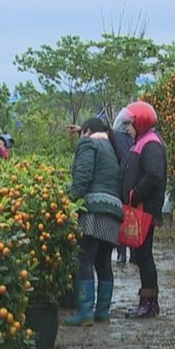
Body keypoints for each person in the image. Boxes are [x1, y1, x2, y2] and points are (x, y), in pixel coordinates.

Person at [64, 118, 124, 326]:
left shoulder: (88, 143)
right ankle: (102, 312)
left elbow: (83, 176)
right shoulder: (111, 147)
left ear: (87, 132)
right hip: (113, 209)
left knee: (86, 258)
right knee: (103, 261)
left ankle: (84, 311)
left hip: (93, 208)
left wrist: (72, 202)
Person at [121, 101, 167, 319]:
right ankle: (146, 301)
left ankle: (149, 303)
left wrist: (135, 194)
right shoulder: (141, 141)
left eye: (130, 124)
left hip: (145, 210)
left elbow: (154, 176)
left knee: (145, 256)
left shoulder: (151, 144)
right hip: (140, 209)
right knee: (141, 255)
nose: (127, 128)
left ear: (140, 123)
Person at [112, 108, 135, 265]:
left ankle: (123, 254)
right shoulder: (134, 137)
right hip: (128, 183)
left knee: (123, 219)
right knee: (129, 219)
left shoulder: (117, 136)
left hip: (124, 184)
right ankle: (127, 253)